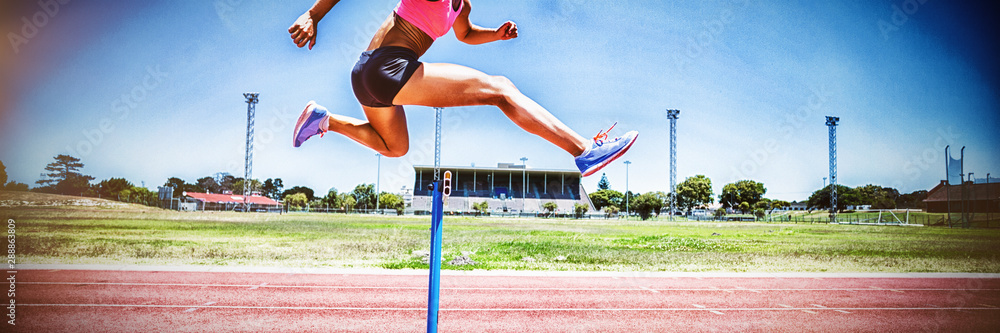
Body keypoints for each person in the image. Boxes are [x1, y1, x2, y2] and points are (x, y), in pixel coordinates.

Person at [289, 0, 637, 177]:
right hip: (387, 66)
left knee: (394, 147)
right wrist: (314, 14)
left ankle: (325, 120)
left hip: (368, 76)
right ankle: (584, 149)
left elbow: (466, 34)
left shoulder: (461, 4)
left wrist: (496, 35)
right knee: (500, 89)